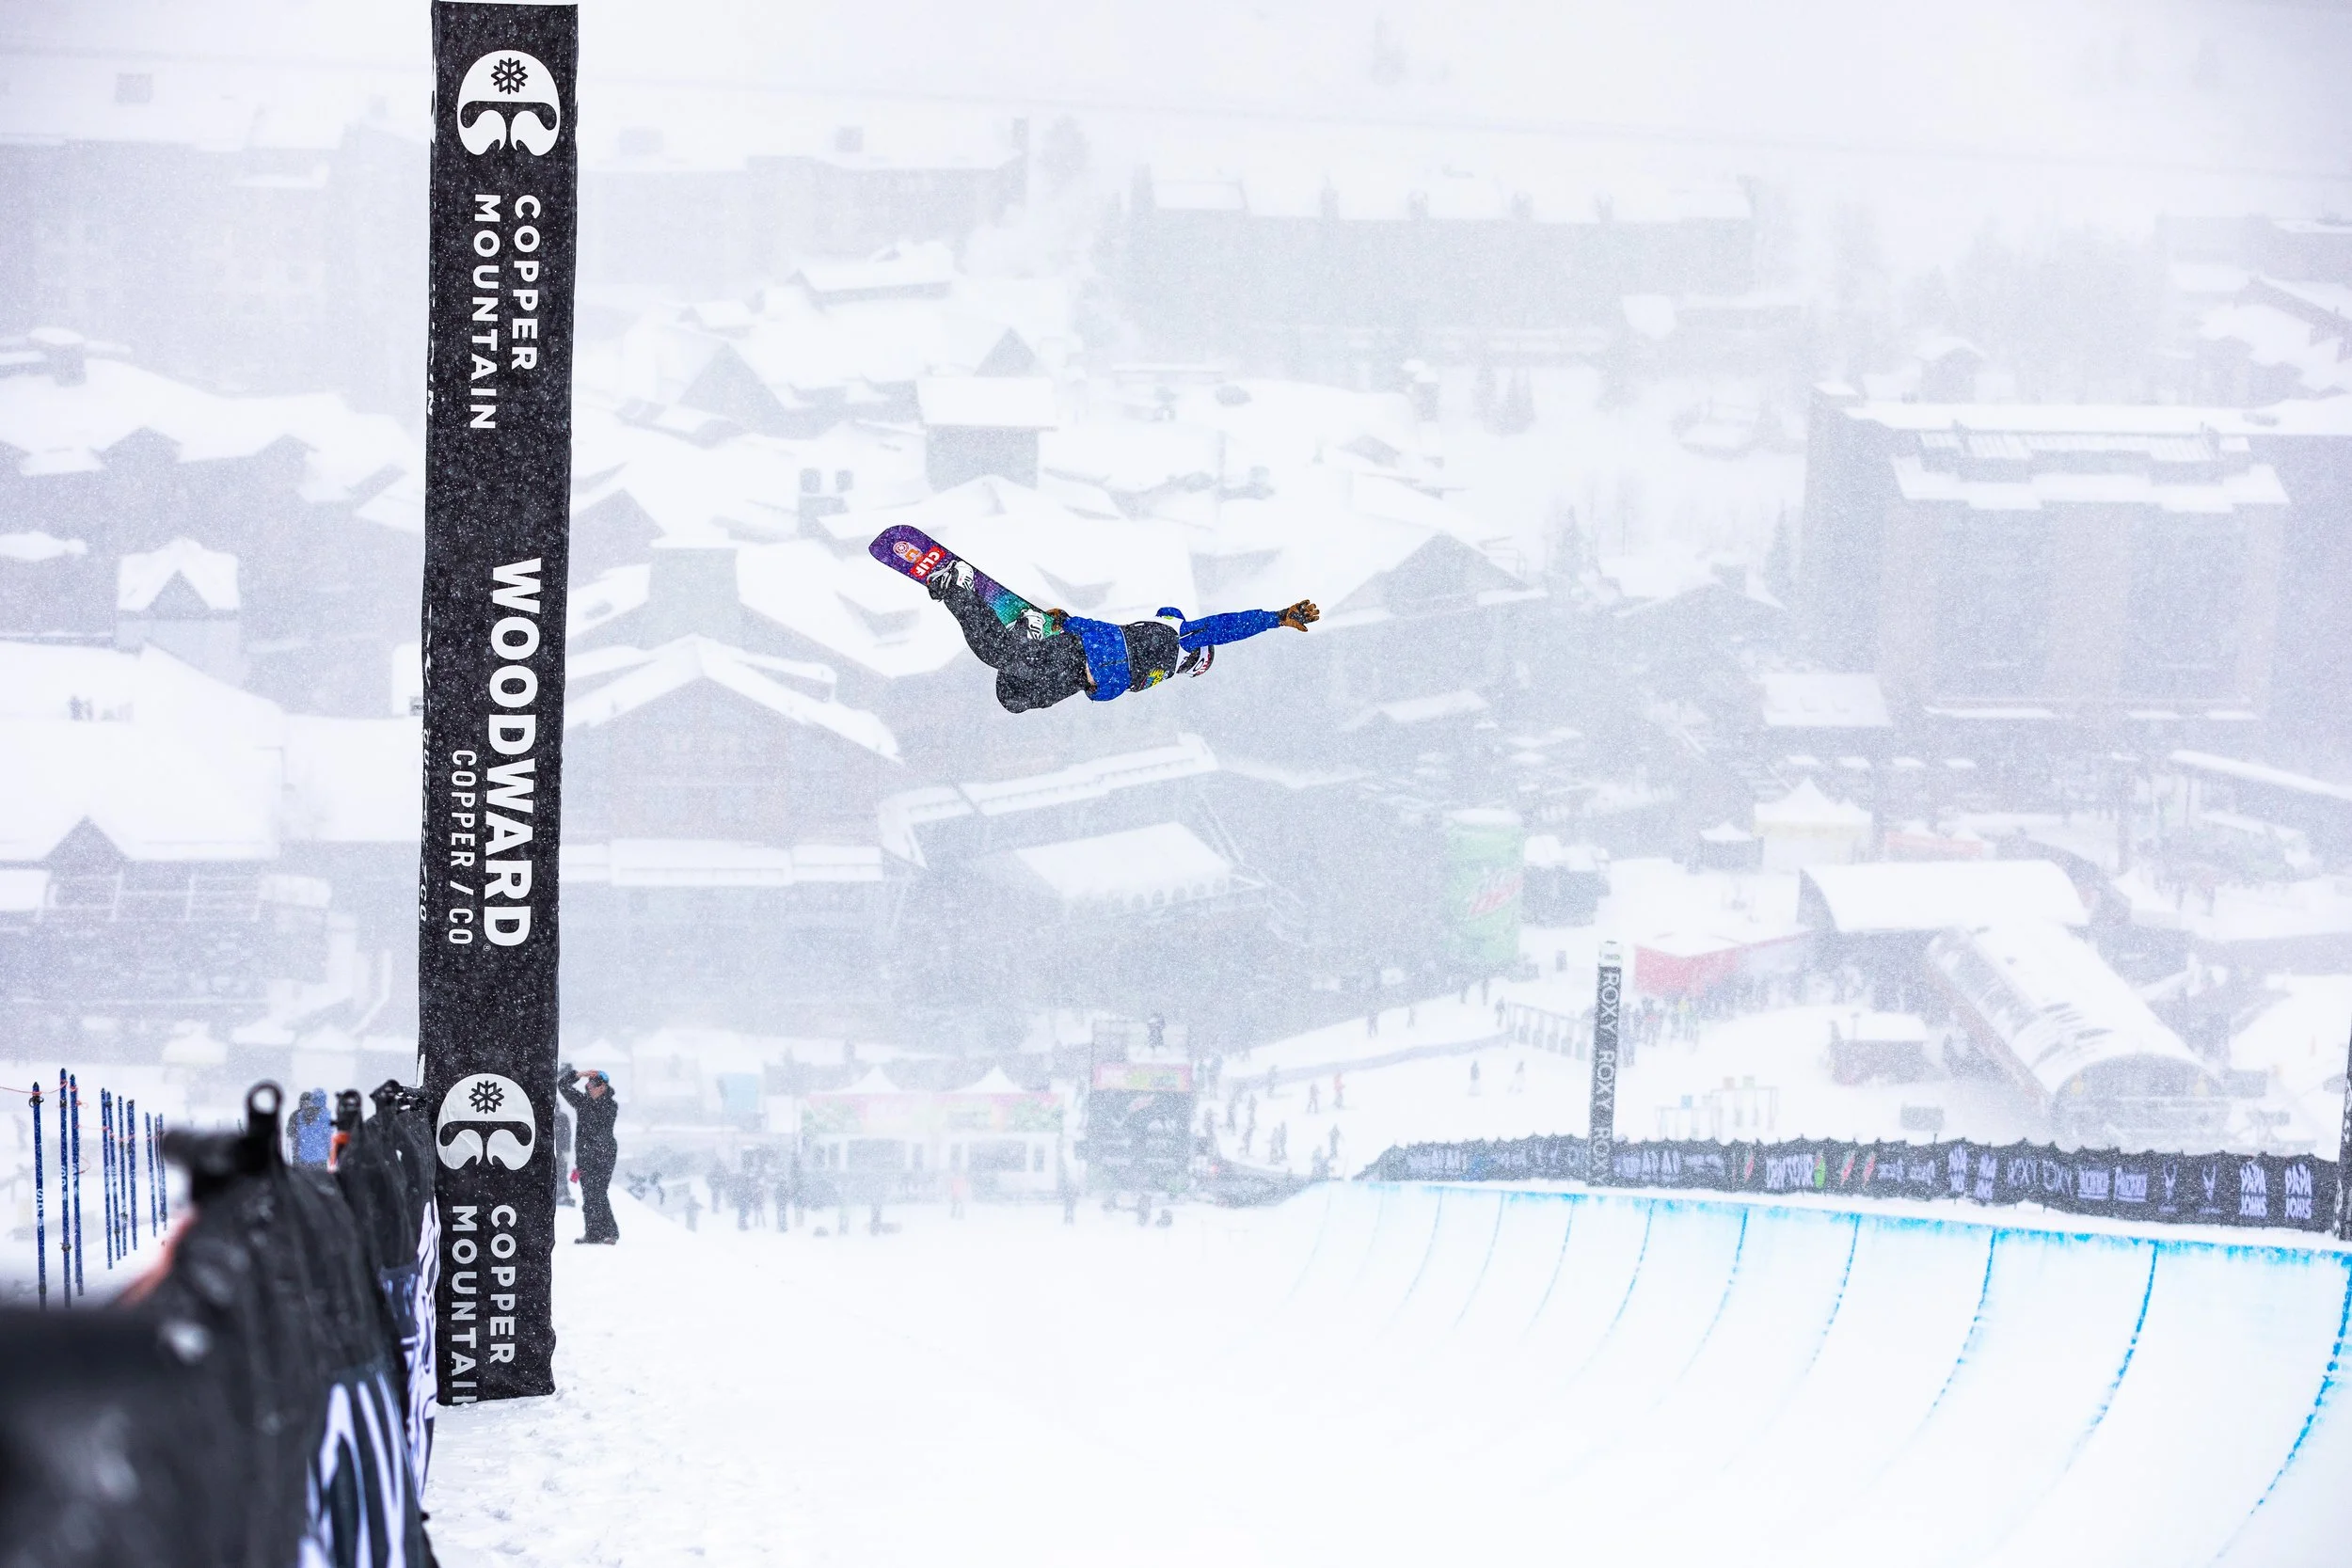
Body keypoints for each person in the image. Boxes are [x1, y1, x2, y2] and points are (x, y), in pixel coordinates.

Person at [926, 560, 1320, 714]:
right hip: (1079, 651)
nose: (1189, 670)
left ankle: (1030, 642)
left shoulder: (1161, 672)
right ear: (1197, 657)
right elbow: (1224, 627)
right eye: (1196, 667)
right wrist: (1275, 618)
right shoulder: (1179, 638)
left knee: (1012, 698)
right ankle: (957, 587)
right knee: (999, 655)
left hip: (1076, 675)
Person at [558, 1067, 621, 1243]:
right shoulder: (583, 1102)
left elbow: (599, 1131)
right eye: (588, 1085)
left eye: (593, 1085)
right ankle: (593, 1233)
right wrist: (578, 1075)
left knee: (598, 1193)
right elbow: (562, 1085)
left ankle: (610, 1232)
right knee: (588, 1194)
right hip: (585, 1155)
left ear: (602, 1088)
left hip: (604, 1155)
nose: (589, 1087)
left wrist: (593, 1154)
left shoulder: (610, 1105)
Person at [286, 1089, 332, 1166]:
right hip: (314, 1157)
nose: (306, 1104)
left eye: (308, 1102)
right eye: (305, 1102)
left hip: (302, 1157)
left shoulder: (296, 1115)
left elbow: (290, 1134)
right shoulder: (297, 1115)